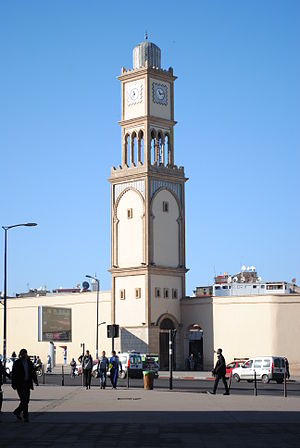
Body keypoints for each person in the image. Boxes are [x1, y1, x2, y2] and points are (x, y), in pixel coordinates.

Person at [11, 348, 38, 422]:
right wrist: (13, 384)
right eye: (22, 354)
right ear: (20, 354)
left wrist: (35, 380)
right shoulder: (17, 363)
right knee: (24, 400)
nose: (23, 355)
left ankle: (17, 411)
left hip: (27, 383)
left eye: (25, 354)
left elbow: (32, 372)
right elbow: (14, 374)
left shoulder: (29, 363)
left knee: (27, 400)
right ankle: (25, 416)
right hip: (20, 384)